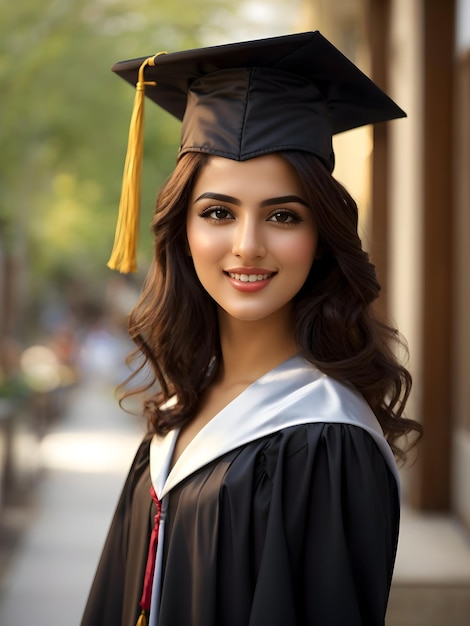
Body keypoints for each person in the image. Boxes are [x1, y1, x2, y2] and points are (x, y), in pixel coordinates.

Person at [81, 31, 422, 626]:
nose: (247, 247)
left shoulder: (325, 440)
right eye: (218, 212)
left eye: (283, 216)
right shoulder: (183, 406)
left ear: (321, 240)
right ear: (181, 232)